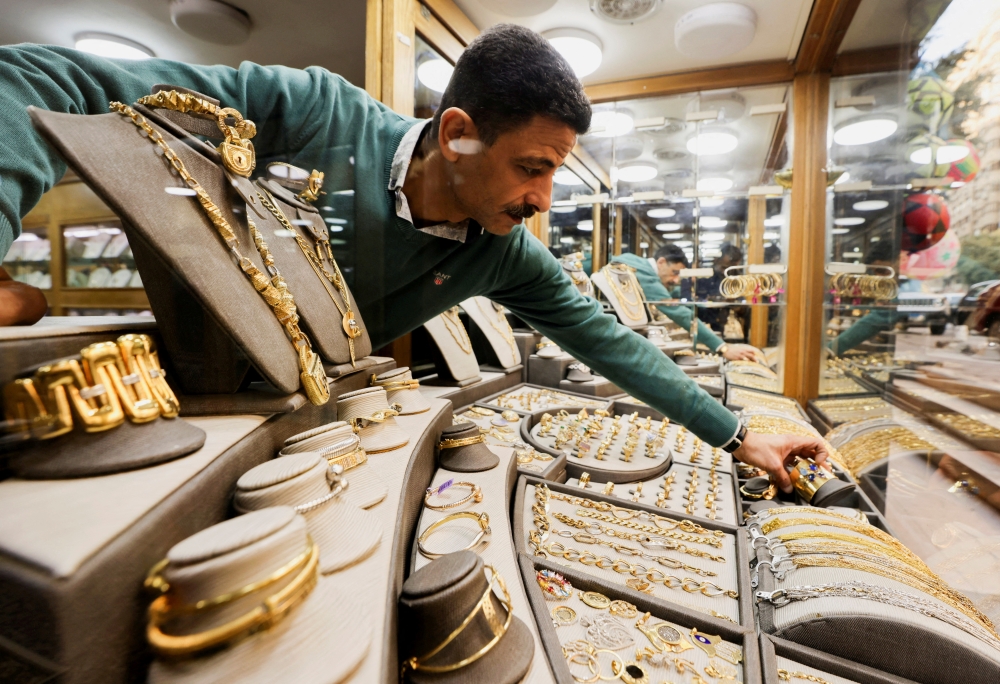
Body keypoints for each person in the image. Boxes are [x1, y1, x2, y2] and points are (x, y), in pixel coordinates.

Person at [0, 25, 827, 490]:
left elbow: (612, 345)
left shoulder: (504, 254)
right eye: (531, 168)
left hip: (295, 450)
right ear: (459, 135)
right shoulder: (317, 112)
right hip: (149, 430)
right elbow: (46, 76)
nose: (544, 201)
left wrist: (735, 432)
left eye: (554, 174)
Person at [612, 245, 759, 360]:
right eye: (675, 272)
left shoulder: (637, 263)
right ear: (661, 262)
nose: (676, 280)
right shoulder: (643, 273)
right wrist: (722, 347)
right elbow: (677, 311)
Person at [828, 241, 900, 356]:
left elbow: (879, 317)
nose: (880, 278)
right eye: (875, 273)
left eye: (883, 271)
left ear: (899, 261)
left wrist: (831, 348)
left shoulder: (912, 288)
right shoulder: (893, 291)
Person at [680, 242, 744, 334]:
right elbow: (688, 299)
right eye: (723, 267)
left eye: (731, 268)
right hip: (702, 323)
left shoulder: (737, 278)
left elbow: (742, 306)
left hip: (725, 326)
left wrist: (734, 302)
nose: (725, 272)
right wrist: (707, 300)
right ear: (716, 260)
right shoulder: (704, 275)